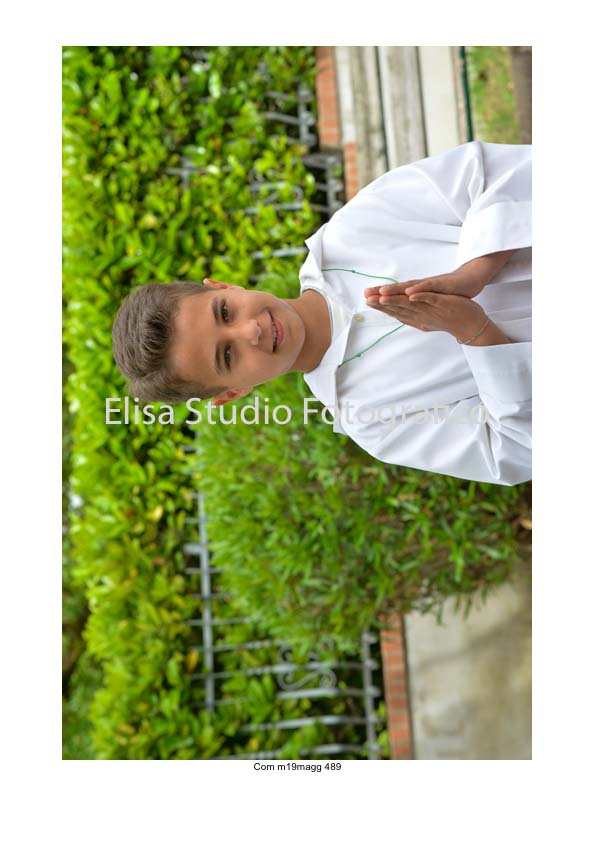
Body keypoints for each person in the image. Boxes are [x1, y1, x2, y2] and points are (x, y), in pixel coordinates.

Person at [112, 141, 532, 485]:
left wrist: (475, 272)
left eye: (225, 313)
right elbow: (517, 447)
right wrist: (474, 331)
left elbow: (492, 174)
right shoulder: (371, 420)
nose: (250, 331)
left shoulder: (352, 232)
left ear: (225, 287)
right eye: (227, 356)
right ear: (233, 393)